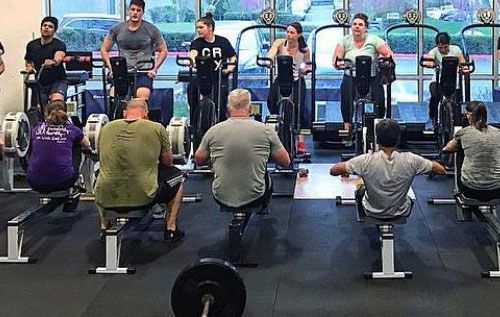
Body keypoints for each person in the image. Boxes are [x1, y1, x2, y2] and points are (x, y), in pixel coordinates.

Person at [94, 98, 185, 243]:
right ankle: (171, 228)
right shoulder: (156, 128)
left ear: (124, 113)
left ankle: (105, 226)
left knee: (99, 174)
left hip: (106, 197)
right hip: (144, 197)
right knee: (178, 175)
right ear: (146, 113)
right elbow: (168, 162)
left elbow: (101, 158)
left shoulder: (106, 128)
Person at [194, 89, 290, 210]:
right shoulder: (266, 130)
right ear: (250, 108)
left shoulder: (213, 131)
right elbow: (285, 162)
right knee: (265, 174)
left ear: (228, 108)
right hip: (256, 197)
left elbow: (198, 160)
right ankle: (263, 208)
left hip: (220, 197)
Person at [330, 119, 445, 218]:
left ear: (377, 139)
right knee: (408, 198)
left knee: (360, 189)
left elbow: (334, 170)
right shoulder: (412, 159)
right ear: (398, 139)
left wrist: (348, 165)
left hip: (370, 211)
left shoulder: (365, 160)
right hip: (401, 211)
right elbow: (440, 169)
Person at [332, 13, 393, 135]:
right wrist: (339, 64)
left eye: (360, 24)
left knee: (379, 100)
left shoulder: (374, 39)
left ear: (366, 28)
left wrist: (385, 62)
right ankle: (347, 125)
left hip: (372, 76)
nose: (357, 27)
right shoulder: (344, 40)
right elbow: (335, 60)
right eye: (354, 24)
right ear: (351, 26)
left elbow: (388, 54)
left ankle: (379, 126)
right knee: (346, 97)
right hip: (351, 75)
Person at [100, 0, 168, 100]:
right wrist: (111, 68)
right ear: (129, 11)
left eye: (138, 10)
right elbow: (104, 50)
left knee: (141, 96)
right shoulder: (117, 29)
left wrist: (155, 69)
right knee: (114, 97)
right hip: (122, 71)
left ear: (142, 12)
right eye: (133, 9)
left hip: (144, 71)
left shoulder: (151, 29)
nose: (135, 13)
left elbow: (163, 51)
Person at [27, 100, 90, 193]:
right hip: (64, 182)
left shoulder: (37, 127)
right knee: (77, 145)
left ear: (46, 113)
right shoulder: (73, 129)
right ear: (65, 112)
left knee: (33, 144)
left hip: (34, 182)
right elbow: (87, 145)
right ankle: (76, 180)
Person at [267, 22, 311, 154]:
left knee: (299, 106)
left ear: (299, 35)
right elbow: (271, 54)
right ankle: (275, 131)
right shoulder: (280, 43)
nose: (289, 35)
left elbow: (309, 65)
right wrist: (269, 60)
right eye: (288, 32)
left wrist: (306, 69)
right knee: (271, 101)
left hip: (297, 79)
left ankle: (301, 140)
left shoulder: (304, 49)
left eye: (292, 33)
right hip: (280, 78)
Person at [443, 101, 500, 201]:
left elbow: (446, 149)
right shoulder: (498, 132)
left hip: (470, 189)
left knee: (460, 150)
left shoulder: (463, 132)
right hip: (497, 190)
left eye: (467, 114)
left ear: (470, 116)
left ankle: (459, 190)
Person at [188, 12, 237, 123]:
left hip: (219, 77)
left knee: (221, 102)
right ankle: (195, 121)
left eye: (201, 27)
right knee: (192, 89)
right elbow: (193, 53)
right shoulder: (197, 43)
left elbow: (233, 57)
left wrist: (229, 69)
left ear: (210, 27)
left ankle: (221, 123)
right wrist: (191, 60)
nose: (198, 30)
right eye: (197, 28)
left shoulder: (222, 42)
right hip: (202, 76)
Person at [424, 32, 467, 131]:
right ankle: (431, 118)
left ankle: (457, 124)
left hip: (453, 81)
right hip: (437, 80)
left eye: (445, 47)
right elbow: (428, 60)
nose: (443, 50)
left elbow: (463, 62)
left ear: (449, 44)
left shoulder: (456, 50)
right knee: (435, 96)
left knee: (457, 102)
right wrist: (429, 63)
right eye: (440, 47)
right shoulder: (434, 51)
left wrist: (465, 68)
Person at [24, 16, 68, 107]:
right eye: (45, 25)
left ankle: (59, 120)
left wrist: (53, 61)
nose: (47, 28)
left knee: (56, 105)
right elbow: (28, 61)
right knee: (38, 108)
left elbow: (58, 58)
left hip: (58, 81)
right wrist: (29, 67)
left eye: (50, 26)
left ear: (54, 30)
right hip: (40, 81)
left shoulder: (59, 45)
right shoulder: (32, 45)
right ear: (41, 28)